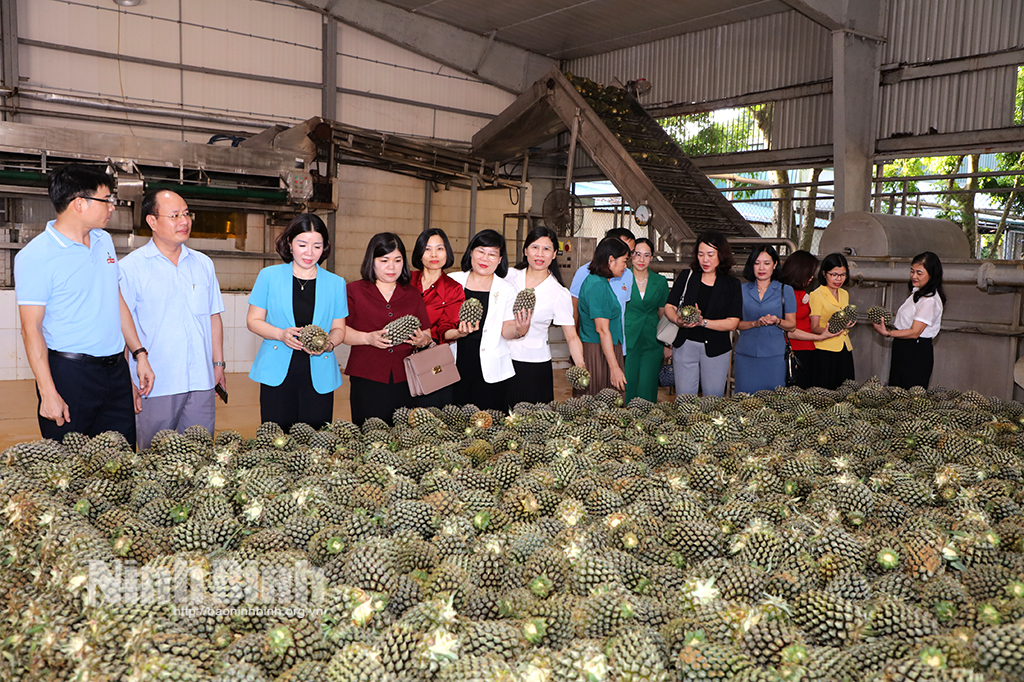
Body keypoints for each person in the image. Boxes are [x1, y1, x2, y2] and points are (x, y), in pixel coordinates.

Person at [15, 164, 153, 444]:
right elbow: (31, 330)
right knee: (70, 466)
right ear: (79, 203)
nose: (112, 207)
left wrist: (138, 354)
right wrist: (48, 392)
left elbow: (115, 301)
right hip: (70, 375)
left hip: (115, 372)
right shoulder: (36, 256)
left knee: (120, 463)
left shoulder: (104, 241)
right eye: (106, 200)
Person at [119, 189, 226, 450]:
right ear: (152, 222)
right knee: (154, 459)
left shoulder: (203, 264)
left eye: (187, 214)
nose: (184, 221)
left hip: (200, 381)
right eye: (175, 215)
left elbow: (213, 316)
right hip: (155, 384)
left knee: (199, 456)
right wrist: (128, 379)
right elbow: (123, 326)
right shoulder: (130, 267)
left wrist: (218, 363)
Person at [246, 214, 348, 432]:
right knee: (276, 438)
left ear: (325, 248)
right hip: (278, 371)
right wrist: (280, 334)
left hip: (319, 372)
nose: (309, 252)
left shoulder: (336, 283)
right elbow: (253, 321)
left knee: (316, 441)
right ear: (290, 243)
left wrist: (329, 344)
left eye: (317, 246)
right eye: (302, 244)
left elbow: (339, 328)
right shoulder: (269, 276)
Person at [344, 233, 432, 425]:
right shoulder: (354, 291)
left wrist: (422, 340)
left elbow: (427, 333)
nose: (391, 267)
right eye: (384, 260)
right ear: (372, 261)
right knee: (367, 432)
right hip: (366, 377)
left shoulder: (412, 294)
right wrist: (368, 338)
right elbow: (342, 331)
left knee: (402, 434)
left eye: (397, 260)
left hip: (406, 378)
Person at [505, 226, 586, 405]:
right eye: (535, 247)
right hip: (502, 359)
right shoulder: (508, 277)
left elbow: (571, 336)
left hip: (533, 366)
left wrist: (580, 364)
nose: (540, 254)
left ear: (554, 254)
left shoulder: (558, 292)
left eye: (546, 249)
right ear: (525, 250)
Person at [449, 229, 528, 411]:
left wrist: (519, 330)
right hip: (453, 365)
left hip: (490, 371)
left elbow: (506, 329)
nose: (485, 259)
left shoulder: (507, 289)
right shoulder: (452, 281)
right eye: (481, 251)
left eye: (492, 254)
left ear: (500, 259)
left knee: (488, 424)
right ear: (471, 252)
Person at [664, 230, 742, 397]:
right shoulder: (687, 276)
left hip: (716, 348)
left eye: (710, 254)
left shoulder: (732, 284)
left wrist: (703, 322)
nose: (705, 259)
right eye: (701, 254)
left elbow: (733, 322)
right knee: (684, 400)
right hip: (685, 344)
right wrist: (678, 320)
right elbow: (669, 307)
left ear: (721, 255)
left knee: (712, 399)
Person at [872, 251, 946, 389]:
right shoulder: (917, 293)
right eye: (912, 271)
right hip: (904, 346)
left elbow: (914, 332)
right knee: (896, 391)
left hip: (915, 350)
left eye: (919, 273)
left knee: (908, 394)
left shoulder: (929, 301)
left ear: (932, 275)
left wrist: (887, 333)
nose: (914, 276)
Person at [409, 228, 466, 407]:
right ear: (419, 253)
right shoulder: (406, 280)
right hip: (399, 358)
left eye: (439, 248)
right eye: (427, 249)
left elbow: (445, 327)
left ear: (447, 252)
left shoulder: (453, 289)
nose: (434, 254)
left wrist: (458, 333)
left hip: (431, 361)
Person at [733, 245, 797, 394]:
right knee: (744, 401)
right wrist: (755, 323)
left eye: (767, 263)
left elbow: (792, 325)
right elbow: (736, 324)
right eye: (757, 263)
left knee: (773, 403)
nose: (761, 267)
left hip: (774, 355)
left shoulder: (785, 290)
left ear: (775, 265)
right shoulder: (741, 290)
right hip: (746, 354)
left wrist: (777, 321)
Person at [777, 250, 839, 389]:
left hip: (809, 349)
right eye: (809, 274)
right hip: (794, 350)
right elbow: (788, 330)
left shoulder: (802, 293)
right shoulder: (785, 293)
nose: (811, 277)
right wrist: (819, 337)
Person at [577, 237, 630, 394]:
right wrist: (614, 368)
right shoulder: (597, 285)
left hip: (606, 350)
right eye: (624, 261)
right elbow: (602, 330)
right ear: (611, 260)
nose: (625, 267)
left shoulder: (601, 282)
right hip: (598, 353)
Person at [570, 227, 636, 354]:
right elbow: (575, 309)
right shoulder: (586, 273)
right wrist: (574, 342)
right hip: (593, 343)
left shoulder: (627, 274)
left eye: (631, 252)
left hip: (616, 343)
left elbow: (621, 309)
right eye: (623, 248)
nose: (628, 255)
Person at [623, 237, 669, 403]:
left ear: (651, 257)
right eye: (637, 254)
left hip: (652, 339)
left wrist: (666, 342)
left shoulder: (660, 281)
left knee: (648, 383)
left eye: (646, 255)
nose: (641, 259)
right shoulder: (621, 278)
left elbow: (664, 313)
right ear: (630, 256)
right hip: (627, 336)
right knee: (628, 381)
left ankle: (647, 422)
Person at [809, 252, 856, 390]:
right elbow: (814, 327)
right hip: (825, 350)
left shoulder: (844, 293)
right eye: (834, 274)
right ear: (824, 274)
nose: (838, 279)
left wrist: (847, 324)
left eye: (842, 275)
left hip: (844, 347)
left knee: (846, 391)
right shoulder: (816, 295)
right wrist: (828, 331)